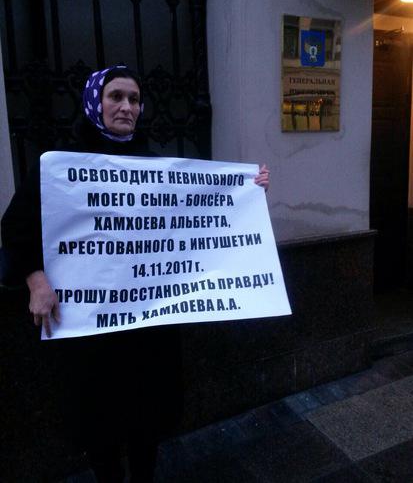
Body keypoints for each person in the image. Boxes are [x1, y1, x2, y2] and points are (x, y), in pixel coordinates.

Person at [1, 65, 270, 482]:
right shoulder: (59, 166)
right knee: (99, 418)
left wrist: (246, 191)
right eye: (116, 96)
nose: (126, 107)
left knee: (149, 416)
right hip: (92, 328)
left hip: (148, 328)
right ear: (94, 101)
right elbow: (16, 227)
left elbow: (199, 216)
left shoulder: (155, 165)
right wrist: (36, 281)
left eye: (134, 99)